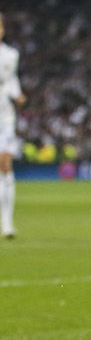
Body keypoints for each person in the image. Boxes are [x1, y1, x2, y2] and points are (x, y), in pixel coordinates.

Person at [0, 12, 26, 239]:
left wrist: (17, 95)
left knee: (5, 165)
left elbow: (11, 80)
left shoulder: (10, 55)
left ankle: (7, 223)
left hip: (4, 117)